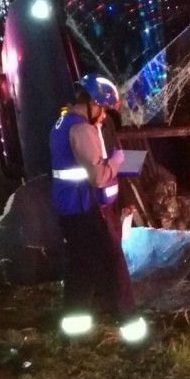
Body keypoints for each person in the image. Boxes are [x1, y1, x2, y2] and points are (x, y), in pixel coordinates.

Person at [49, 74, 147, 343]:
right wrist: (116, 161)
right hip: (86, 211)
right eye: (103, 110)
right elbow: (99, 177)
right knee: (113, 267)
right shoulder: (82, 130)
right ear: (92, 103)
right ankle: (134, 334)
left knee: (80, 268)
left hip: (69, 210)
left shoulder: (61, 123)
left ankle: (73, 332)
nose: (104, 117)